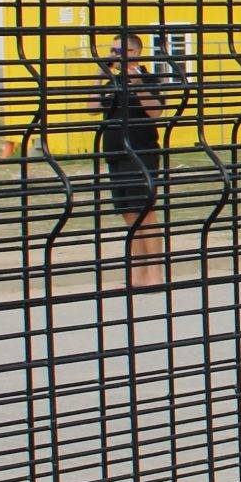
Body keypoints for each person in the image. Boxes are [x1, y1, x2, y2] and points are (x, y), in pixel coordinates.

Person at [97, 31, 167, 290]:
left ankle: (155, 274)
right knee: (129, 216)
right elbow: (92, 108)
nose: (114, 56)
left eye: (119, 51)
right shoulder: (112, 83)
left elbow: (156, 112)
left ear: (135, 53)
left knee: (144, 213)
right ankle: (138, 274)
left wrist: (136, 82)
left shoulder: (148, 79)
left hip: (140, 154)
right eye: (112, 51)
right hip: (115, 154)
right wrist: (99, 75)